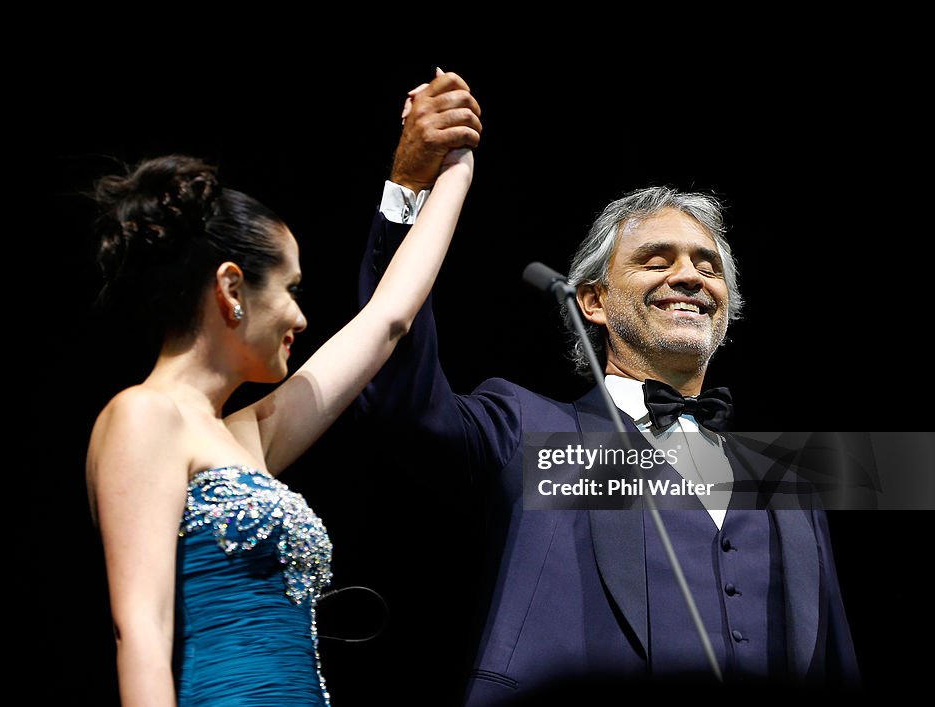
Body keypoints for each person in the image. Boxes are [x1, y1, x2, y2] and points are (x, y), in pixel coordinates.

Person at [357, 75, 860, 703]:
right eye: (656, 260)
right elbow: (397, 382)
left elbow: (833, 654)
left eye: (708, 266)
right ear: (592, 301)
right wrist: (409, 192)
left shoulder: (787, 477)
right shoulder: (524, 428)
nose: (690, 277)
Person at [84, 73, 480, 706]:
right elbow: (141, 631)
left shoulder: (243, 438)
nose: (301, 318)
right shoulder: (143, 416)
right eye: (290, 290)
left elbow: (388, 319)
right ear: (232, 289)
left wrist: (453, 166)